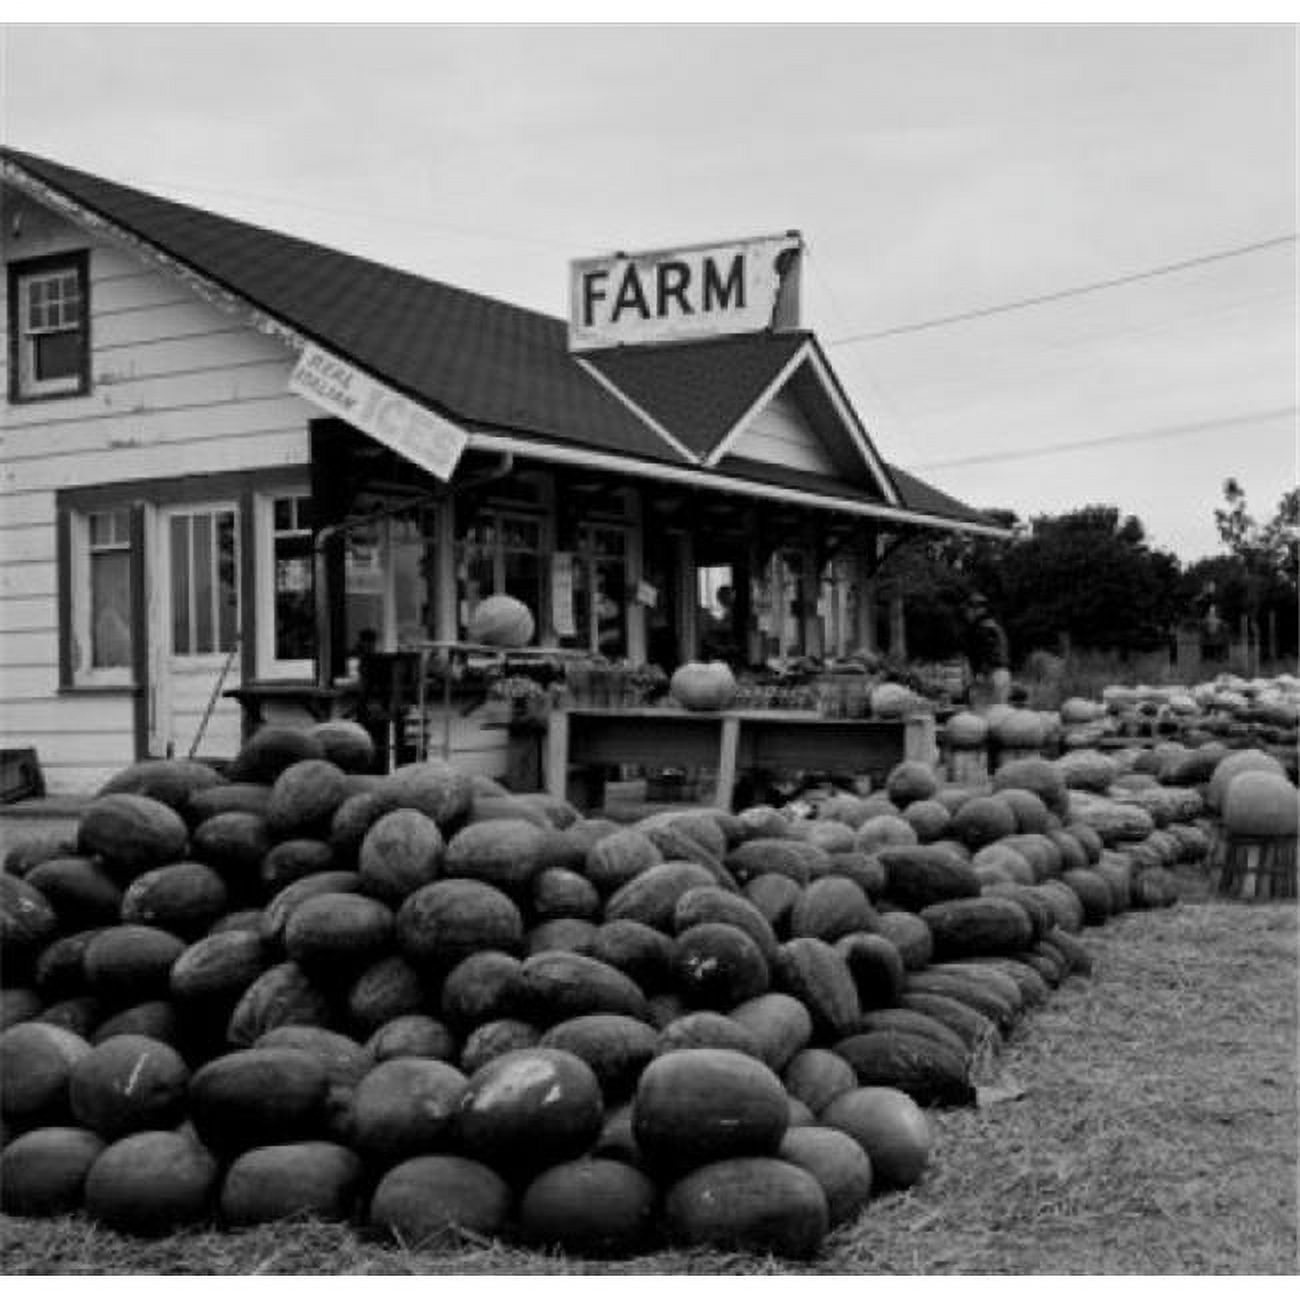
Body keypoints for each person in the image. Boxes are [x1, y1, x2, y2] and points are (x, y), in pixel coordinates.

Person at [963, 593, 1011, 705]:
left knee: (983, 714)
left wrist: (981, 673)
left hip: (991, 676)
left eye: (968, 610)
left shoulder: (983, 628)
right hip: (1001, 674)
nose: (966, 614)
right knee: (997, 714)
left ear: (978, 610)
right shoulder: (993, 626)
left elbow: (988, 652)